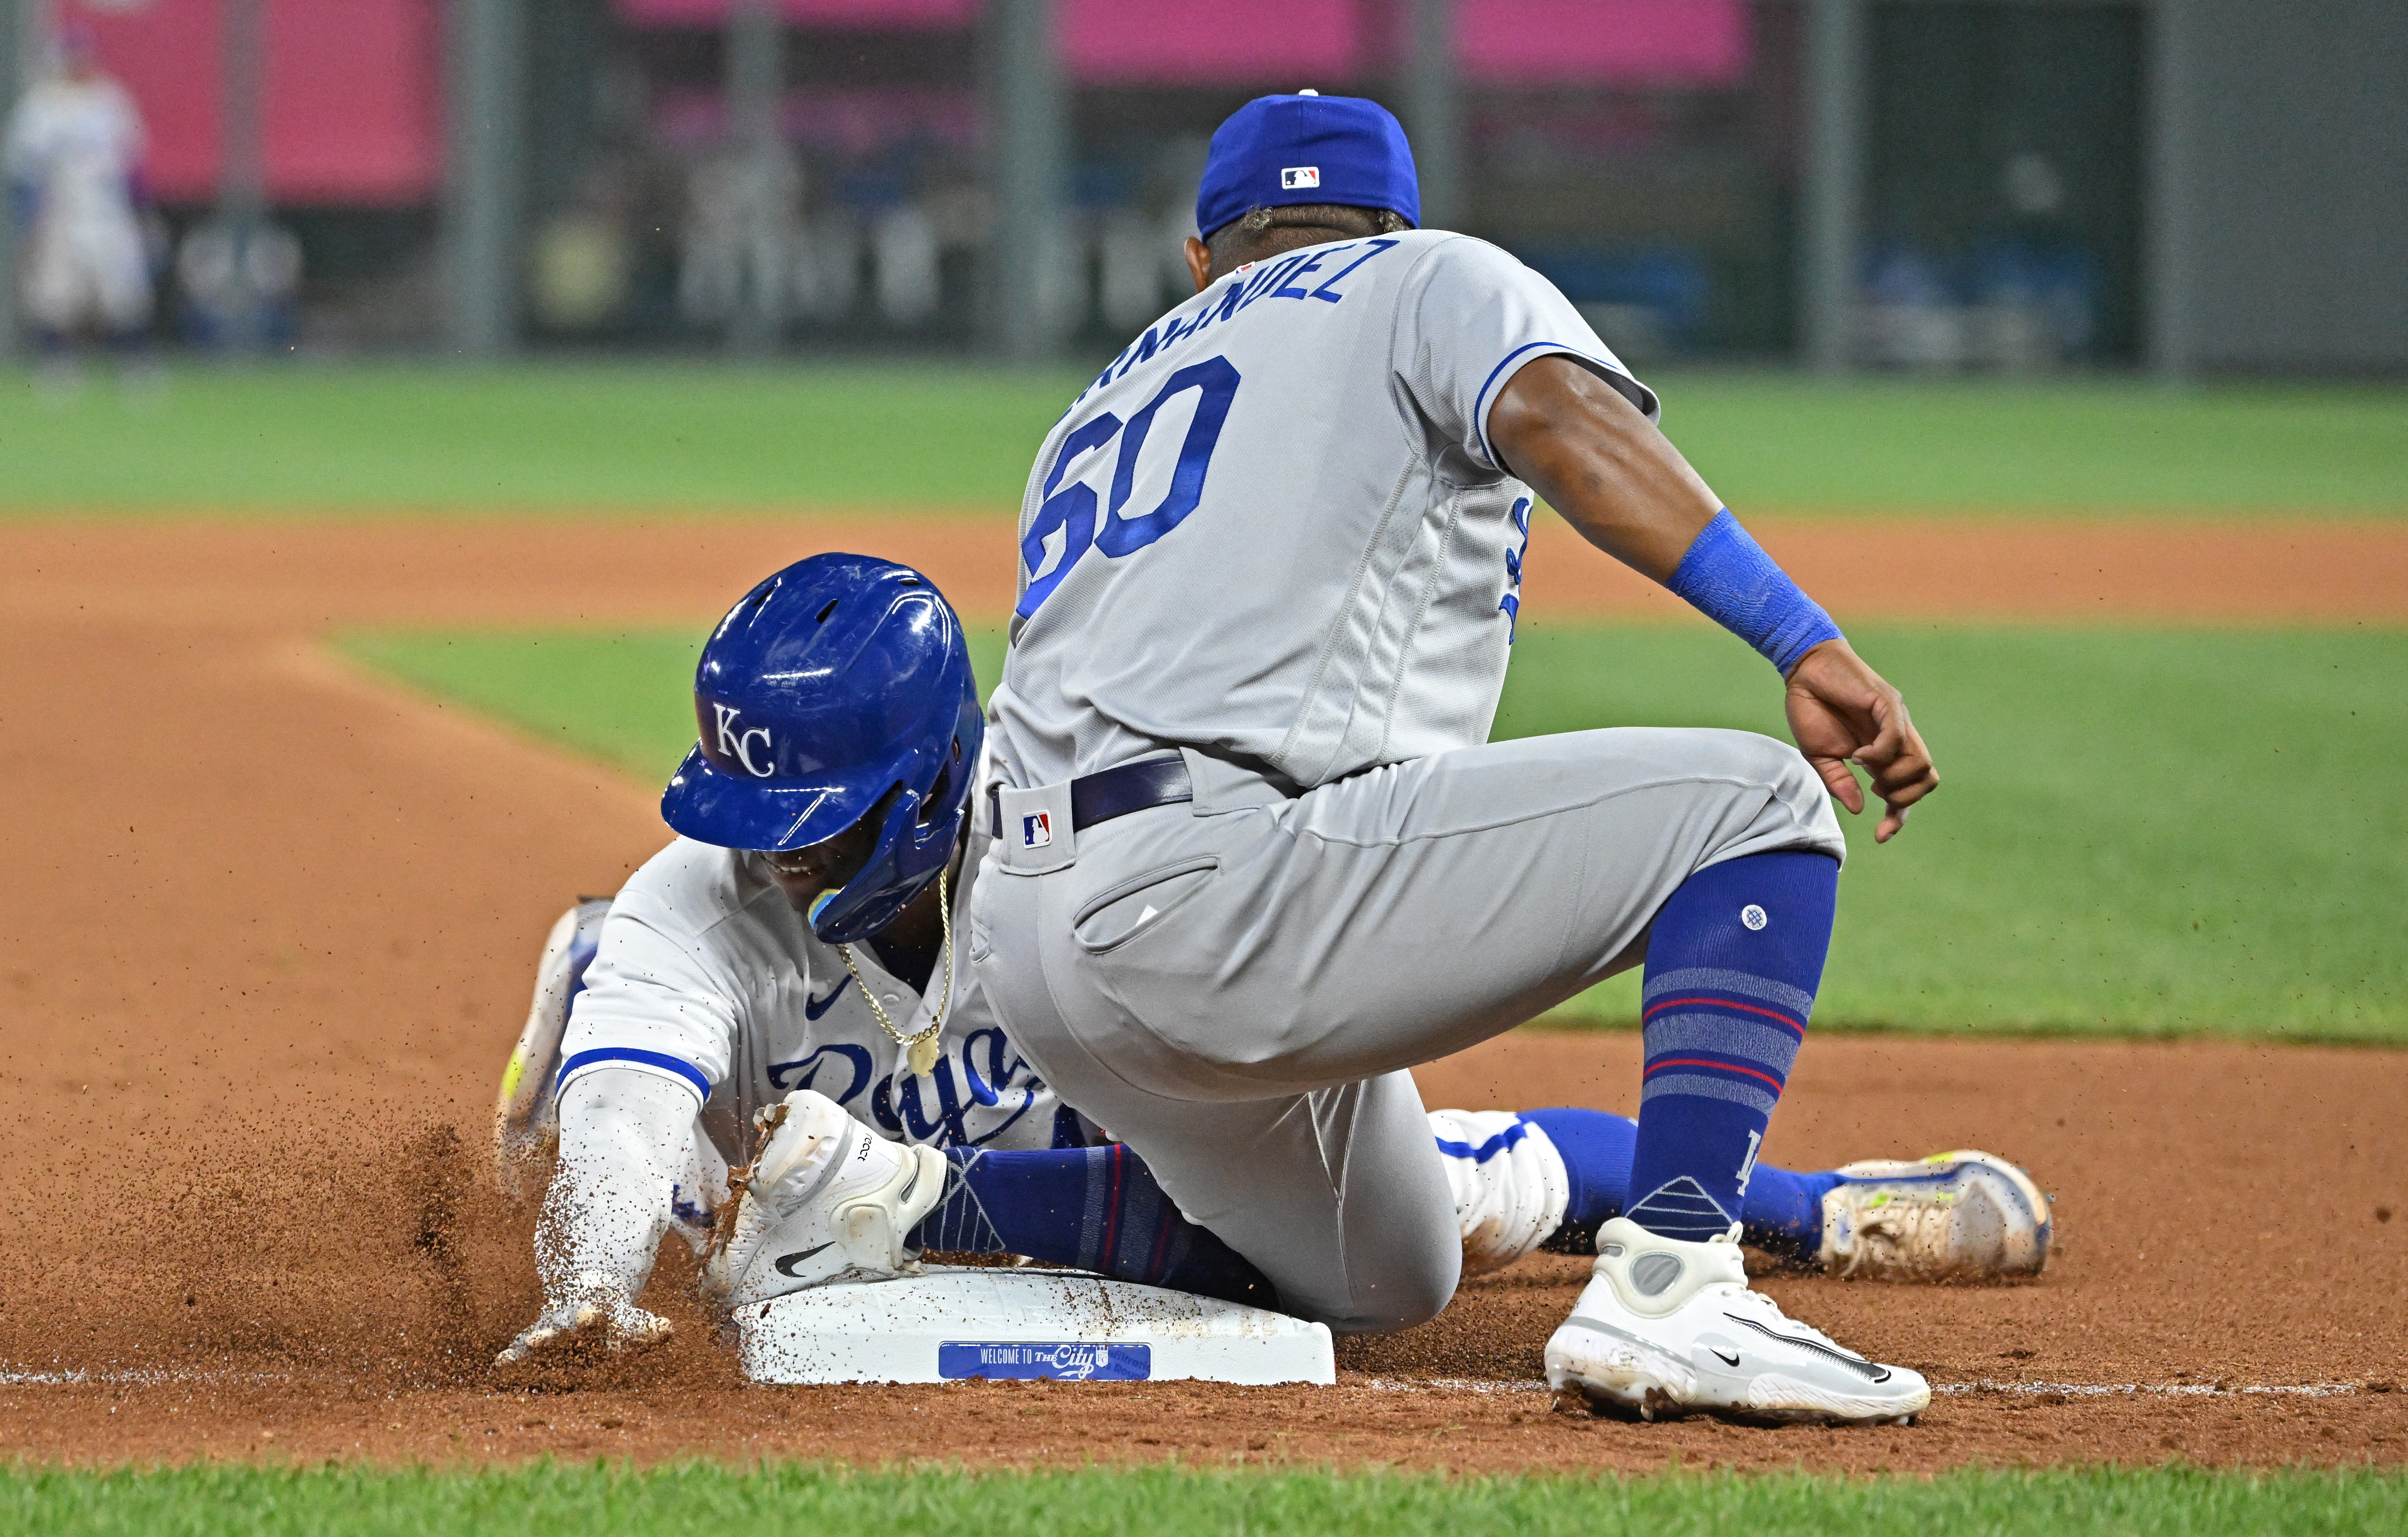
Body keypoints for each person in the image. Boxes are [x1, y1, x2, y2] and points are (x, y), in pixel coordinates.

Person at [970, 92, 1956, 1425]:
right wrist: (1797, 637)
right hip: (1218, 892)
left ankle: (900, 1197)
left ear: (1203, 256)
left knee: (1383, 1270)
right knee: (1757, 811)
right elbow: (1559, 418)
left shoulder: (1100, 398)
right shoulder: (1426, 276)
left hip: (1029, 937)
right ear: (1392, 220)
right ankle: (1676, 1288)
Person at [494, 556, 2046, 1371]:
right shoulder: (696, 900)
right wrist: (587, 1282)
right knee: (680, 1216)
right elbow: (638, 1119)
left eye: (814, 828)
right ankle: (591, 989)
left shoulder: (1081, 888)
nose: (777, 857)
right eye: (752, 818)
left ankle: (1829, 1208)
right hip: (775, 1145)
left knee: (1443, 1208)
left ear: (928, 785)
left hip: (1098, 1156)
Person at [3, 28, 153, 384]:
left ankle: (135, 366)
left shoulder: (110, 99)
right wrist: (29, 217)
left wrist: (142, 212)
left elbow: (133, 163)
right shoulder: (40, 105)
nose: (78, 65)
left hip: (107, 211)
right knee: (56, 293)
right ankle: (59, 367)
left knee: (123, 290)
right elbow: (22, 167)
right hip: (61, 213)